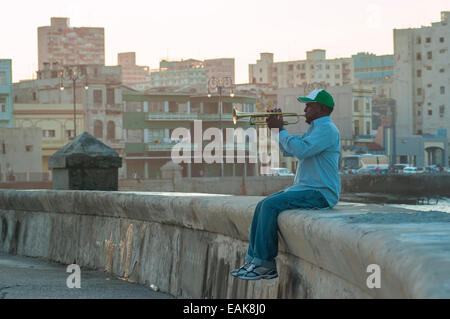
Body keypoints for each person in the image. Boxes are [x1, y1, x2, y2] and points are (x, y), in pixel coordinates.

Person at [231, 89, 341, 280]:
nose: (305, 109)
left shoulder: (327, 130)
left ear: (322, 108)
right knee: (262, 205)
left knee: (269, 205)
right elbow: (290, 149)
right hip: (307, 188)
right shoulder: (315, 129)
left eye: (309, 105)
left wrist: (280, 130)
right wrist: (276, 131)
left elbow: (301, 150)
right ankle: (254, 261)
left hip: (320, 192)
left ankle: (265, 264)